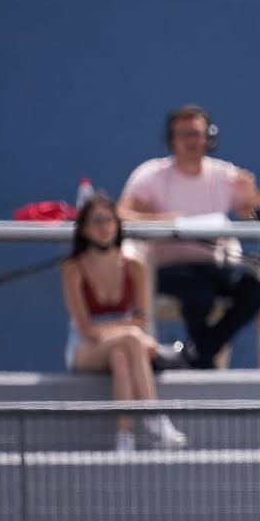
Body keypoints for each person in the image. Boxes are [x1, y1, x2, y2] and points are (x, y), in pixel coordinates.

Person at [117, 105, 260, 369]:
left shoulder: (224, 174)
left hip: (213, 265)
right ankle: (203, 362)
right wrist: (167, 220)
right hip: (166, 269)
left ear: (209, 138)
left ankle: (198, 353)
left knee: (255, 291)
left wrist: (252, 194)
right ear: (171, 140)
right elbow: (121, 214)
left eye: (197, 134)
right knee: (199, 294)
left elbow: (256, 217)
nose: (192, 141)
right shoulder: (151, 174)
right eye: (184, 134)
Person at [61, 194, 188, 452]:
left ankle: (124, 437)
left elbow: (142, 319)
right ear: (83, 228)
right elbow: (86, 329)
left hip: (124, 344)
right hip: (85, 347)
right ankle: (155, 418)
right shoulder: (73, 268)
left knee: (121, 356)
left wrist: (129, 333)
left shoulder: (134, 265)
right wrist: (131, 333)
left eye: (109, 219)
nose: (104, 227)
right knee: (131, 340)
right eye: (96, 221)